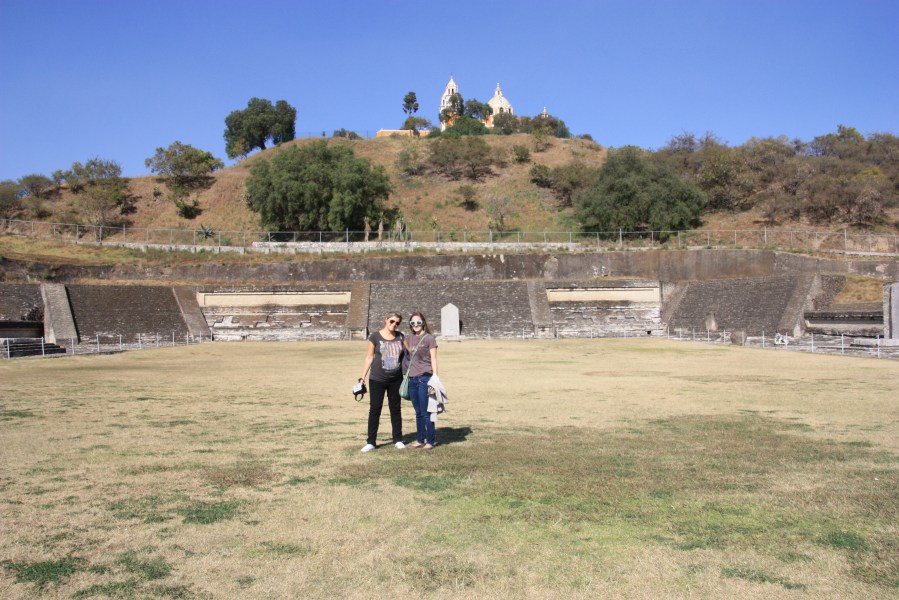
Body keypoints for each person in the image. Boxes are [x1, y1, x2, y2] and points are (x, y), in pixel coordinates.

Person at [358, 312, 406, 452]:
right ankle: (371, 441)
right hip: (377, 379)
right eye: (392, 321)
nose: (394, 325)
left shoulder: (401, 337)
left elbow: (409, 354)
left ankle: (398, 439)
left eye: (397, 323)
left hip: (396, 379)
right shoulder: (375, 337)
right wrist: (362, 377)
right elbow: (369, 357)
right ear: (386, 320)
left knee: (395, 409)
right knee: (375, 409)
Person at [404, 312, 439, 449]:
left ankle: (430, 441)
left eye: (418, 322)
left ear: (423, 322)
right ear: (410, 325)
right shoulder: (408, 338)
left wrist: (435, 378)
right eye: (413, 323)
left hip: (425, 378)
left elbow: (434, 359)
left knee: (426, 412)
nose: (416, 325)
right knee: (418, 412)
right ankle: (420, 439)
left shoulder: (429, 339)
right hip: (412, 379)